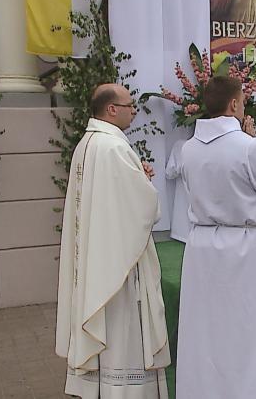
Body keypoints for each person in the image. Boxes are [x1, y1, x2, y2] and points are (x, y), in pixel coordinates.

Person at [176, 76, 256, 398]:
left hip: (202, 248)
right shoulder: (250, 147)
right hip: (243, 247)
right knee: (251, 330)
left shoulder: (188, 149)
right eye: (243, 99)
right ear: (233, 104)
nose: (244, 104)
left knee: (207, 331)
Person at [55, 83, 170, 397]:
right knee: (122, 331)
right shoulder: (114, 148)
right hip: (117, 266)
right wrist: (144, 184)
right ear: (111, 109)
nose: (134, 109)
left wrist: (136, 178)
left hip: (99, 256)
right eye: (129, 104)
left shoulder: (88, 143)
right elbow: (144, 207)